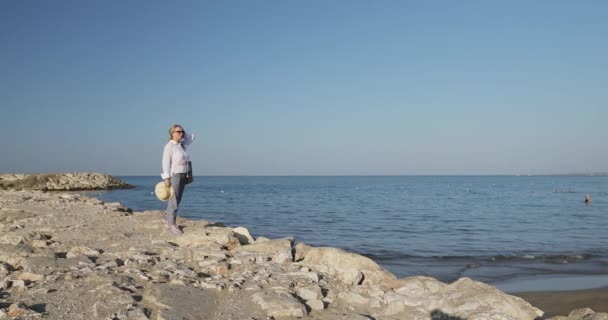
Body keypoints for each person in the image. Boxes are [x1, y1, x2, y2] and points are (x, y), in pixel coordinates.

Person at [161, 124, 196, 234]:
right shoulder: (169, 146)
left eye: (182, 132)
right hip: (175, 175)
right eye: (178, 132)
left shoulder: (181, 144)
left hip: (183, 174)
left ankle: (169, 222)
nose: (181, 133)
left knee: (177, 200)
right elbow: (165, 162)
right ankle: (171, 225)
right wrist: (166, 177)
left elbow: (193, 137)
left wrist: (183, 135)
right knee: (174, 201)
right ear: (172, 133)